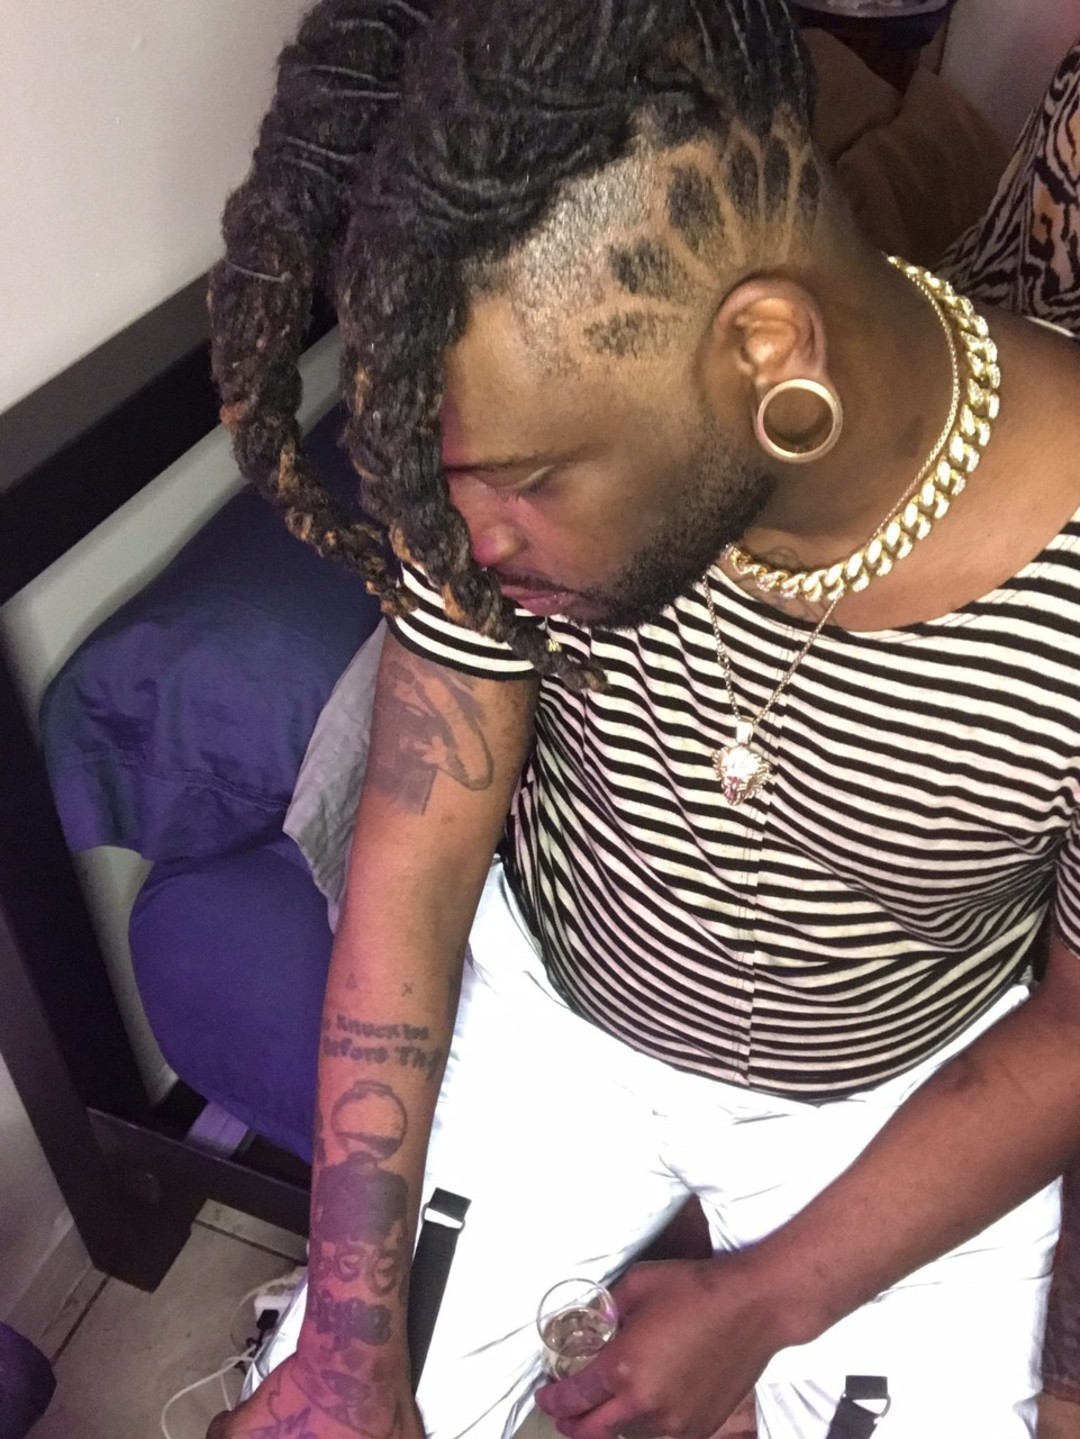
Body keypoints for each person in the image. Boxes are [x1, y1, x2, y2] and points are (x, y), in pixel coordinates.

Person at [205, 1, 1080, 1436]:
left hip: (895, 1093)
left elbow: (1073, 1028)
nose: (470, 543)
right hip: (558, 1018)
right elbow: (421, 859)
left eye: (525, 481)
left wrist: (768, 1300)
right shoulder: (509, 444)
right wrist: (349, 1350)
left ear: (766, 348)